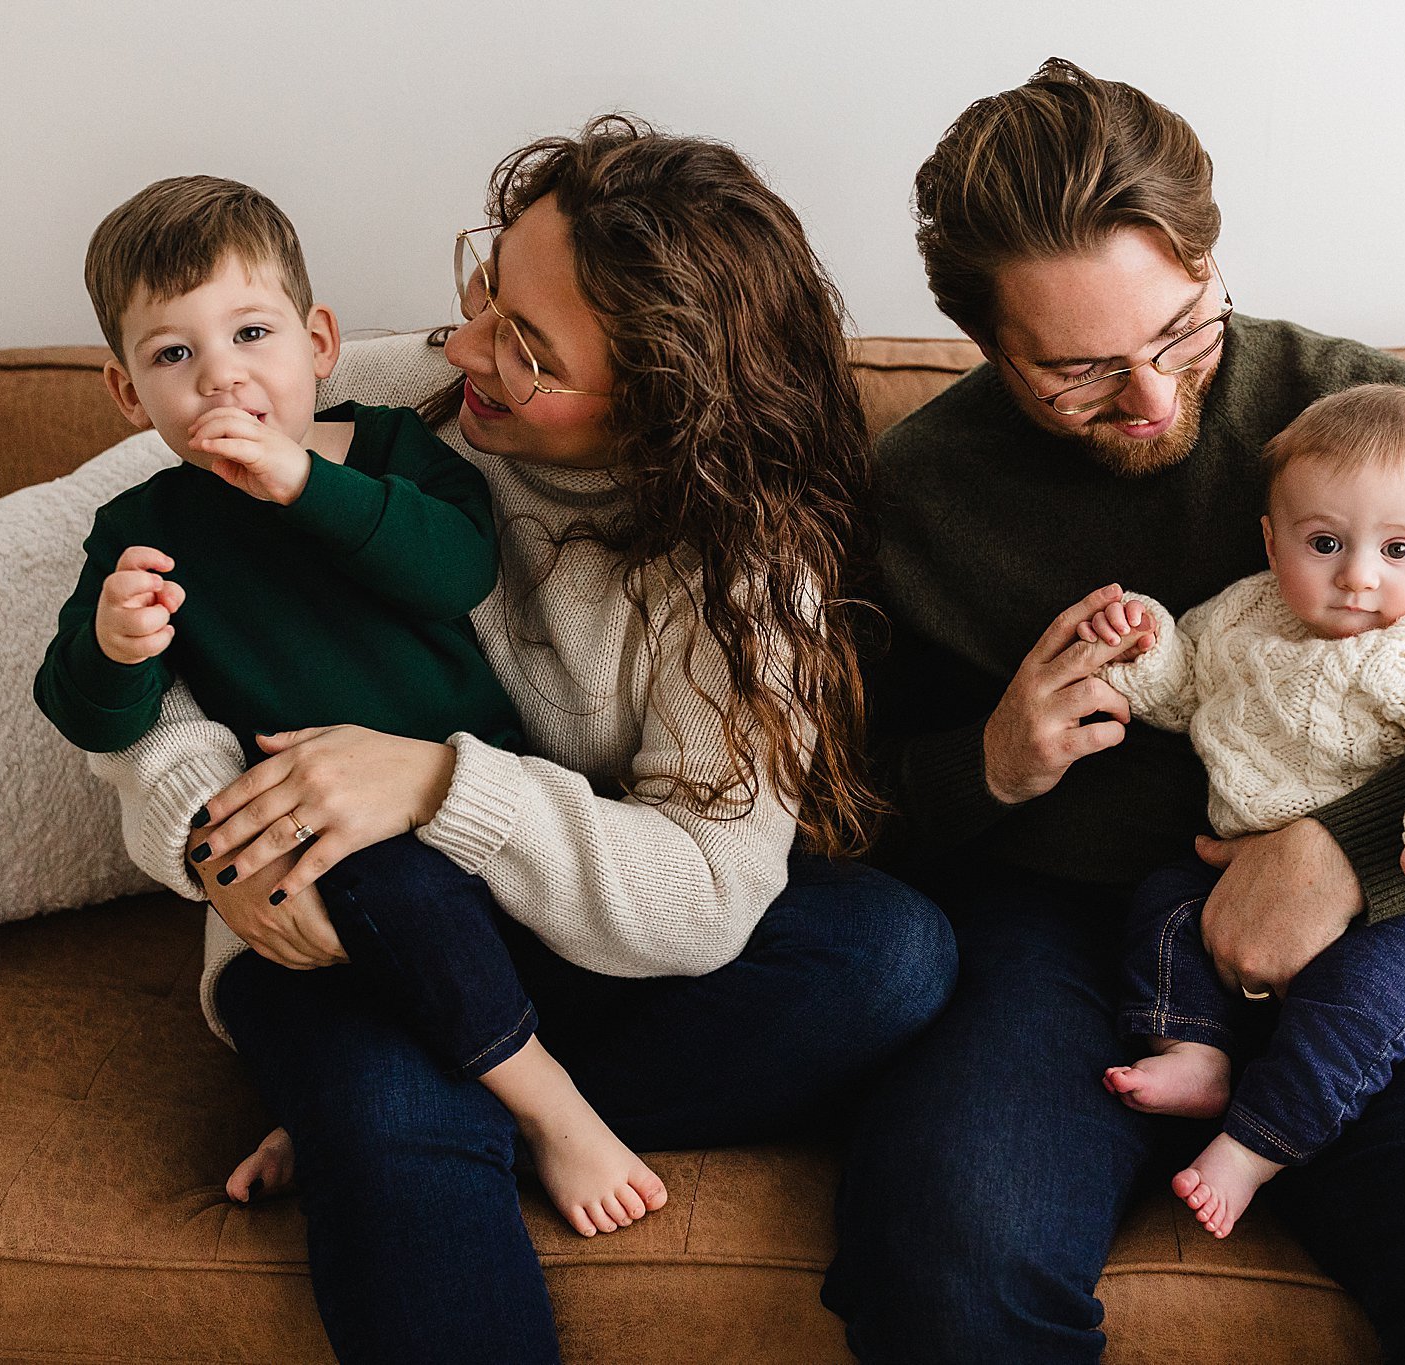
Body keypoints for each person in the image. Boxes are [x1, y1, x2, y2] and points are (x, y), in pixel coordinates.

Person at [821, 58, 1405, 1365]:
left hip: (1388, 924)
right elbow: (820, 792)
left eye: (1182, 332)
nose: (1154, 401)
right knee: (949, 1263)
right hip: (1055, 936)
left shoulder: (1367, 421)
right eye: (1078, 372)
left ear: (1211, 260)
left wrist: (1340, 855)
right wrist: (984, 767)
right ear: (986, 344)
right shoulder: (912, 489)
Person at [87, 118, 958, 1364]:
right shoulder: (360, 425)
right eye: (487, 289)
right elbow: (153, 669)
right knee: (391, 1107)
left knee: (891, 955)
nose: (462, 347)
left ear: (667, 406)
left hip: (566, 945)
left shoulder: (745, 581)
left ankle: (443, 1092)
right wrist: (226, 844)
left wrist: (443, 785)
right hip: (338, 925)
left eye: (527, 349)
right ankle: (407, 1100)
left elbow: (710, 894)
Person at [34, 174, 668, 1239]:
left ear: (317, 343)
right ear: (127, 394)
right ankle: (511, 1106)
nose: (221, 378)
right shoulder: (141, 524)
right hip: (326, 857)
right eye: (173, 356)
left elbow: (454, 569)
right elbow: (96, 720)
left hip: (468, 827)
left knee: (416, 909)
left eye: (249, 333)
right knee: (360, 888)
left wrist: (300, 481)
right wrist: (114, 647)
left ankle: (487, 1103)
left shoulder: (388, 455)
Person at [1087, 383, 1405, 1239]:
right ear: (1273, 543)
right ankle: (1192, 1047)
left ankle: (1257, 1144)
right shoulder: (1243, 615)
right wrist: (1142, 641)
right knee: (1162, 903)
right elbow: (1183, 683)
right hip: (1236, 868)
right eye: (1327, 543)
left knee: (1356, 1006)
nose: (1357, 576)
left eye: (1399, 548)